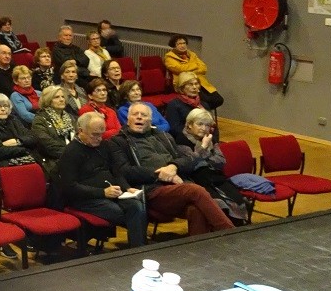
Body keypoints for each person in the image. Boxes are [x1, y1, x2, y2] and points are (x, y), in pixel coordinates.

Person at [109, 104, 235, 237]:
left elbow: (187, 159)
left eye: (144, 115)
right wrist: (160, 174)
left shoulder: (164, 136)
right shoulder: (118, 141)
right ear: (127, 118)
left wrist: (173, 166)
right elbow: (125, 171)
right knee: (195, 190)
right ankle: (230, 234)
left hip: (176, 186)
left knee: (196, 209)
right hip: (150, 189)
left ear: (150, 120)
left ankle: (199, 250)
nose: (139, 117)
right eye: (135, 114)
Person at [54, 112, 147, 247]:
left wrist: (127, 187)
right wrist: (102, 193)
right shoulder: (71, 152)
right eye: (95, 135)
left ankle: (139, 249)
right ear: (81, 131)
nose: (99, 138)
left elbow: (116, 171)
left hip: (111, 193)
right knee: (119, 212)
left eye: (101, 134)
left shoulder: (104, 145)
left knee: (137, 206)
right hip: (85, 199)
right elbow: (70, 186)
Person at [176, 108, 248, 224]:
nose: (204, 128)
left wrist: (203, 157)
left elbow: (221, 160)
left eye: (207, 125)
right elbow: (190, 163)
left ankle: (238, 230)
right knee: (220, 204)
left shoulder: (211, 139)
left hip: (214, 176)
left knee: (239, 201)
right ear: (189, 125)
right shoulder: (181, 140)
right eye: (200, 124)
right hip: (195, 180)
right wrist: (203, 148)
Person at [0, 93, 40, 168]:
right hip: (3, 163)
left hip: (25, 157)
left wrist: (17, 141)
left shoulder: (12, 119)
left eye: (5, 106)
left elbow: (33, 137)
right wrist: (26, 149)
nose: (3, 109)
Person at [163, 35, 223, 110]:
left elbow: (203, 68)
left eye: (184, 43)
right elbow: (180, 69)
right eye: (179, 44)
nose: (183, 45)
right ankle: (199, 114)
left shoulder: (192, 54)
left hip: (200, 82)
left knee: (219, 100)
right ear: (174, 45)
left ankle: (201, 112)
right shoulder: (169, 57)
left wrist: (190, 69)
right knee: (207, 102)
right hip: (185, 85)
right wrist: (195, 65)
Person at [30, 85, 75, 179]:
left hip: (73, 157)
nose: (61, 99)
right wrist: (72, 153)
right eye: (57, 97)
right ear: (48, 100)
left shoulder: (70, 117)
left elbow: (80, 137)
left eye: (63, 97)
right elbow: (47, 145)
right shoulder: (40, 119)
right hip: (53, 161)